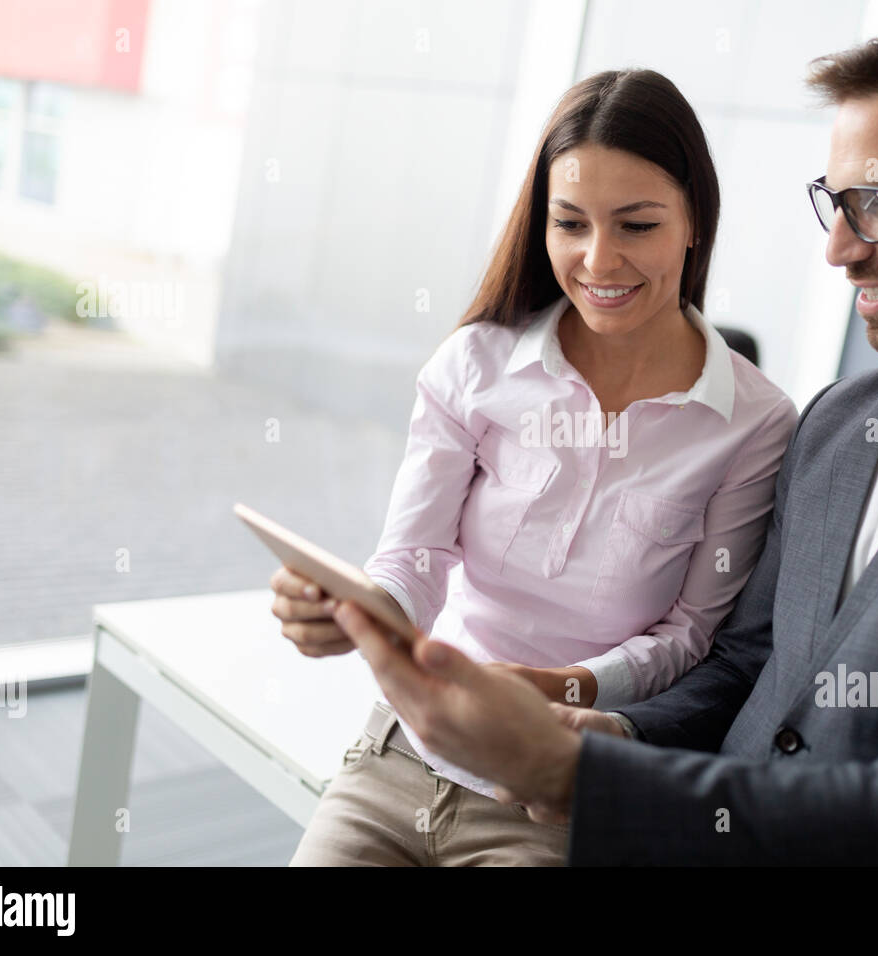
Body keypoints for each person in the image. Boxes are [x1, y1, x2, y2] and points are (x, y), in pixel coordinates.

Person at [330, 4, 878, 866]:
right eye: (832, 203)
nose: (838, 249)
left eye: (875, 203)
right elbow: (749, 668)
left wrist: (577, 772)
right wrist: (617, 726)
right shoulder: (837, 422)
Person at [273, 69, 797, 866]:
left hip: (550, 796)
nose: (599, 259)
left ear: (694, 221)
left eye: (637, 225)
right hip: (403, 757)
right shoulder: (477, 363)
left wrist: (566, 686)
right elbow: (415, 558)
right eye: (570, 223)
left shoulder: (755, 422)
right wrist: (359, 611)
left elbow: (690, 637)